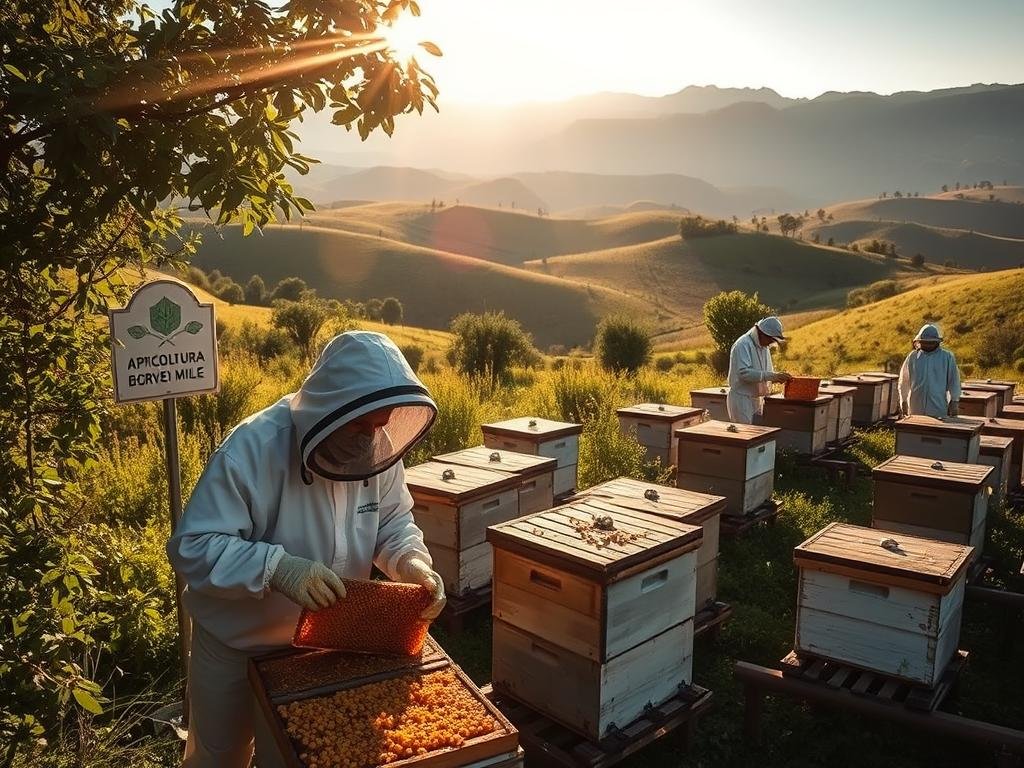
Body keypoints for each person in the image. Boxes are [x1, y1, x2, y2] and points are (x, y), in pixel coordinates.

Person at [167, 331, 447, 768]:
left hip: (326, 647)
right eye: (359, 426)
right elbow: (193, 546)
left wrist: (410, 562)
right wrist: (276, 567)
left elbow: (392, 521)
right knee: (218, 759)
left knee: (299, 758)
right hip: (239, 644)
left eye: (380, 425)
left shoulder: (379, 448)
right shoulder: (253, 449)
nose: (369, 438)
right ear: (329, 409)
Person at [726, 316, 792, 424]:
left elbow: (763, 371)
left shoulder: (763, 346)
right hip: (742, 398)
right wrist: (772, 376)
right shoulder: (743, 344)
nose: (770, 343)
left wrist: (777, 378)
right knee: (745, 435)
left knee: (756, 435)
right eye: (770, 339)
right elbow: (744, 373)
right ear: (761, 333)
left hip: (756, 398)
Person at [898, 323, 961, 418]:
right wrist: (903, 401)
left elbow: (954, 381)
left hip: (938, 408)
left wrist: (954, 401)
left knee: (934, 431)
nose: (927, 345)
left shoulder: (947, 357)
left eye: (930, 342)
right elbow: (904, 380)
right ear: (919, 342)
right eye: (924, 342)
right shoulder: (913, 357)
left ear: (937, 342)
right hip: (915, 407)